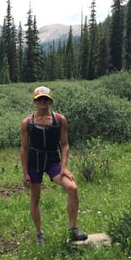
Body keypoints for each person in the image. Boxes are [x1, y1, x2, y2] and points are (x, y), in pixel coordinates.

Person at [20, 86, 87, 244]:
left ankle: (73, 228)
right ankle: (39, 234)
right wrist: (25, 173)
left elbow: (65, 145)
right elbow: (23, 148)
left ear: (50, 101)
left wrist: (64, 167)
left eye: (45, 99)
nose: (43, 102)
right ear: (35, 102)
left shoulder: (60, 120)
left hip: (53, 161)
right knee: (35, 197)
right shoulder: (27, 122)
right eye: (39, 99)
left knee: (72, 188)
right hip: (34, 162)